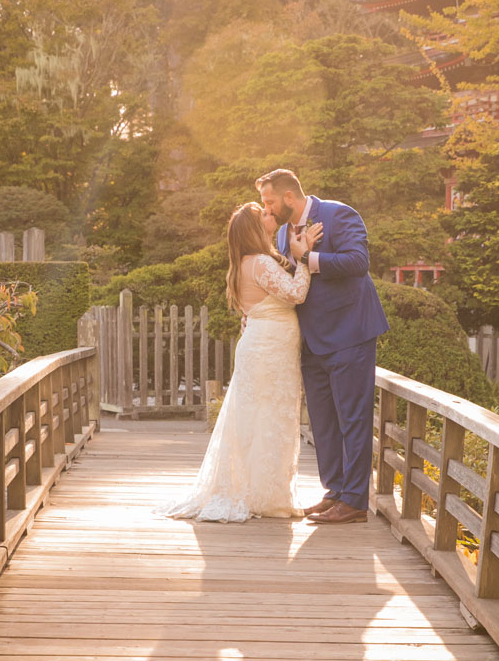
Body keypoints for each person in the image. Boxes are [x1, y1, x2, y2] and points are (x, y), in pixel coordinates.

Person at [163, 201, 323, 522]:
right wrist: (305, 258)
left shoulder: (245, 264)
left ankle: (261, 491)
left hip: (265, 346)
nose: (270, 215)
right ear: (254, 228)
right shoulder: (260, 263)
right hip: (269, 350)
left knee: (259, 418)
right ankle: (264, 495)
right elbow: (295, 294)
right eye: (263, 214)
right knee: (270, 417)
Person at [256, 169, 389, 525]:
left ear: (287, 197)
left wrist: (309, 258)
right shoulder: (283, 232)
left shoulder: (338, 214)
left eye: (269, 201)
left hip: (350, 334)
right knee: (324, 422)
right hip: (311, 340)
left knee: (353, 419)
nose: (265, 207)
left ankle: (355, 501)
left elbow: (358, 263)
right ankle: (335, 492)